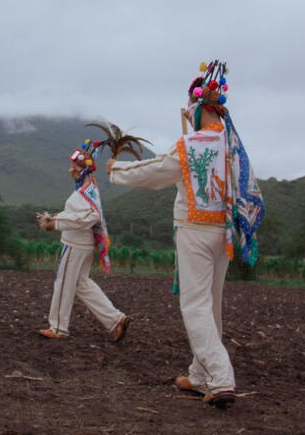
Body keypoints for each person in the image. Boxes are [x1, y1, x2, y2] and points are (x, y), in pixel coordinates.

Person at [106, 61, 264, 408]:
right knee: (211, 305)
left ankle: (221, 378)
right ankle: (200, 374)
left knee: (195, 305)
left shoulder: (191, 146)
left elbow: (155, 173)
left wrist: (117, 170)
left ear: (194, 110)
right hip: (222, 233)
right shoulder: (231, 144)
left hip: (193, 231)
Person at [37, 138, 130, 342]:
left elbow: (90, 216)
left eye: (74, 165)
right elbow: (80, 213)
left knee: (63, 283)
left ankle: (59, 327)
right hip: (82, 245)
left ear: (82, 168)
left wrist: (56, 222)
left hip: (75, 245)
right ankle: (116, 320)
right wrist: (57, 218)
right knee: (81, 284)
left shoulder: (85, 191)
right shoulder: (87, 189)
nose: (71, 168)